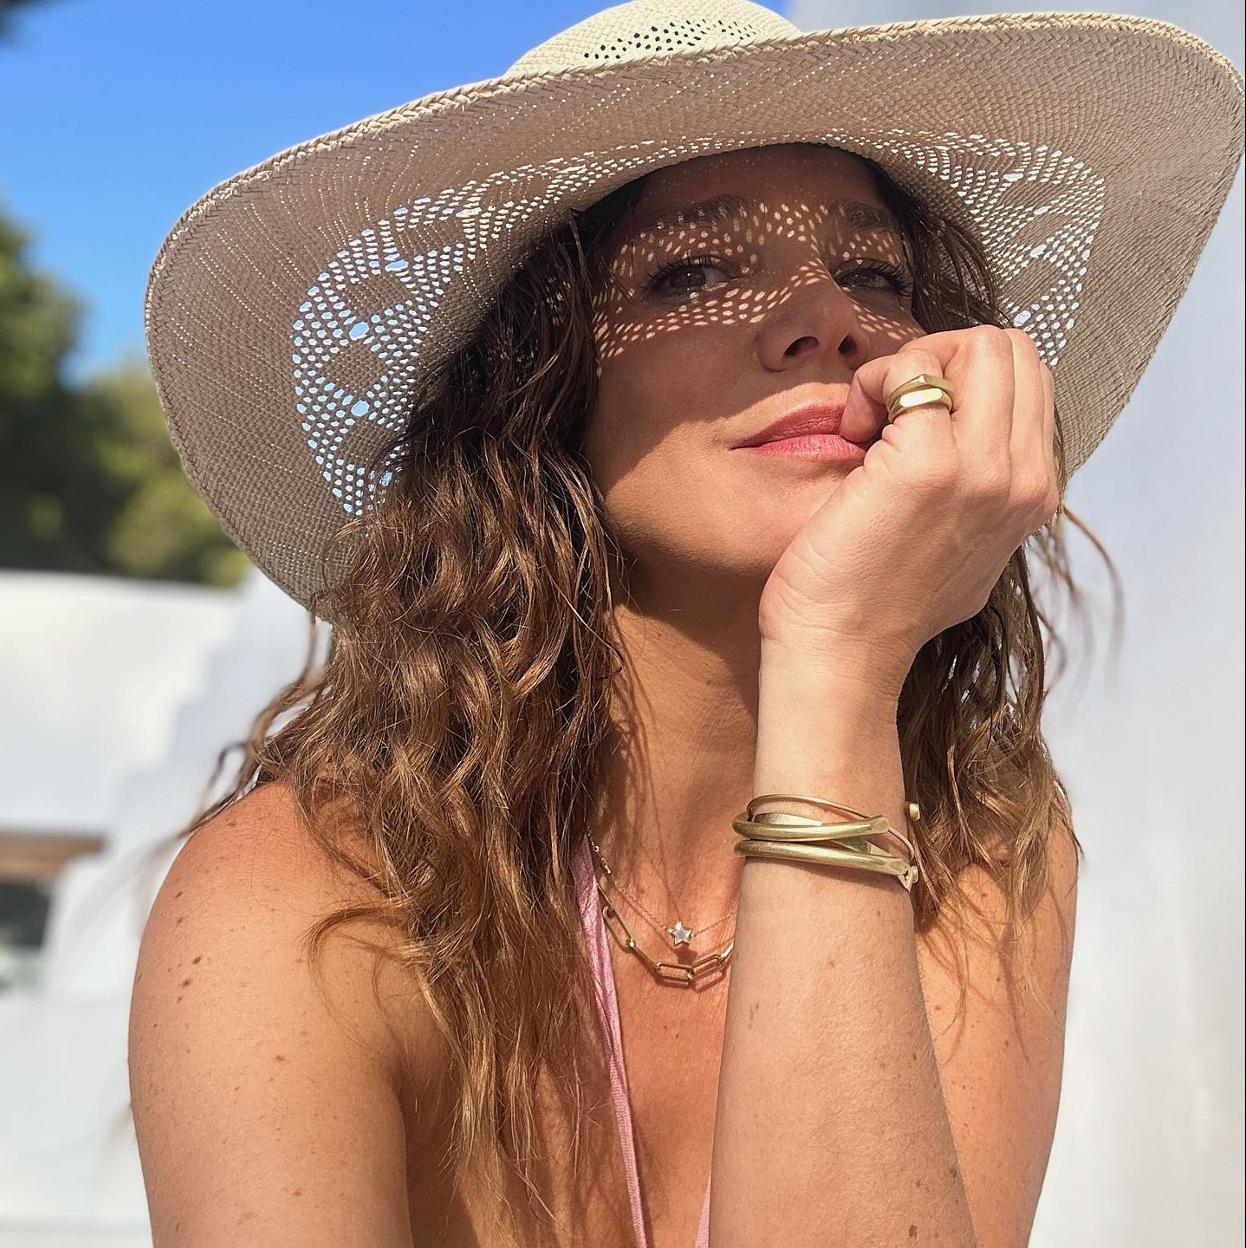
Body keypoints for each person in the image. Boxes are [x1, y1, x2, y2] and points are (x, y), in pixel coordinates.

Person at [125, 2, 1244, 1245]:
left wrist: (837, 665)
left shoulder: (983, 855)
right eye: (690, 272)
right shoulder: (310, 895)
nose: (830, 318)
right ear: (533, 394)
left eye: (876, 275)